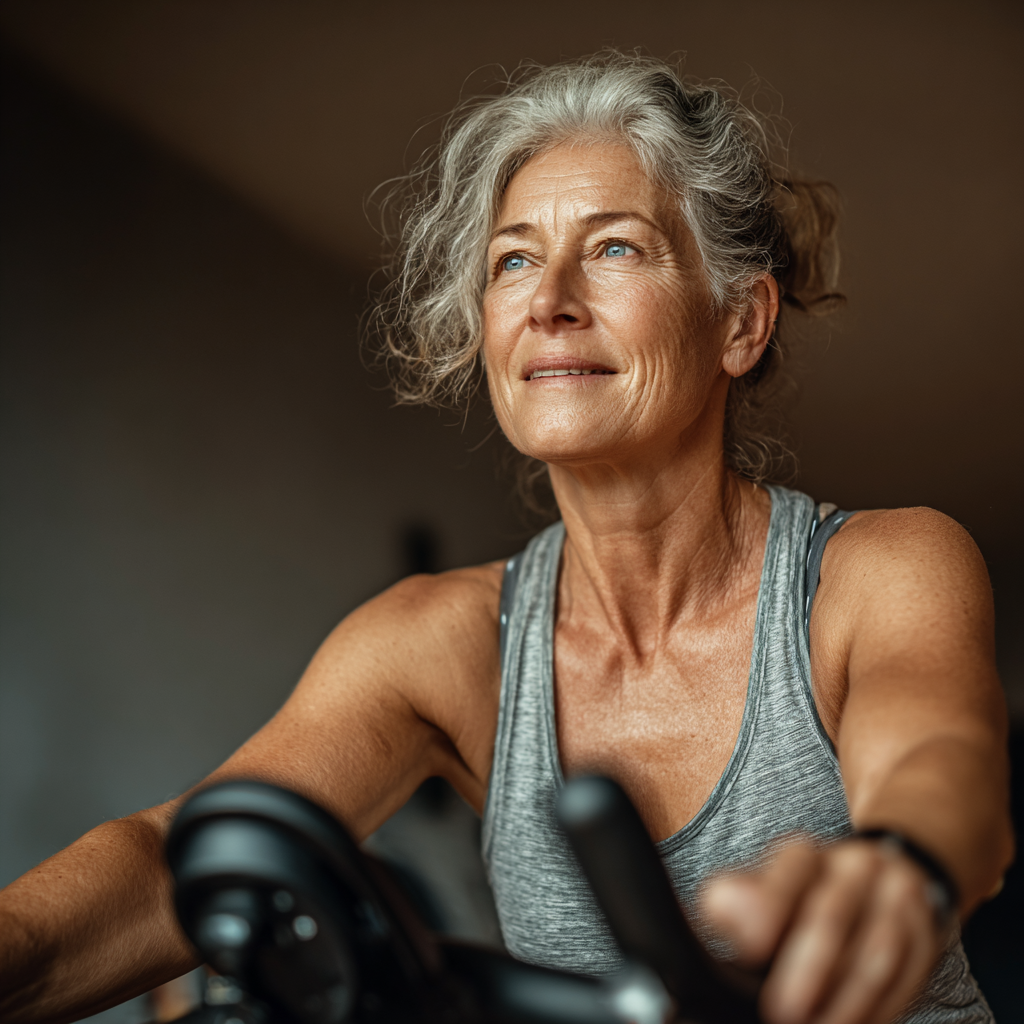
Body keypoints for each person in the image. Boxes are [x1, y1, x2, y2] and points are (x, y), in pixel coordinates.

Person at [0, 52, 1013, 1024]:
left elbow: (940, 759)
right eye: (514, 259)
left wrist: (899, 862)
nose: (550, 301)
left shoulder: (876, 572)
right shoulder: (441, 646)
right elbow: (172, 858)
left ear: (738, 322)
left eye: (615, 246)